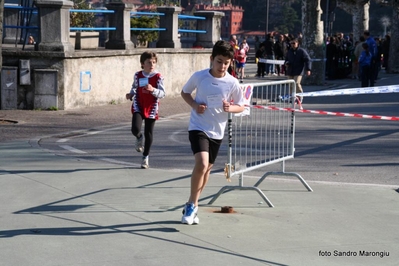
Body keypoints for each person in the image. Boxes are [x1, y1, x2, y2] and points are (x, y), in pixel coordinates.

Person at [180, 40, 245, 225]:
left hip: (217, 131)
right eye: (219, 61)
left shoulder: (232, 82)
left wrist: (229, 107)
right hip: (198, 126)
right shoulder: (200, 77)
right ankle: (192, 204)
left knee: (207, 169)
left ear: (231, 62)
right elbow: (185, 93)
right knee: (201, 163)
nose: (222, 66)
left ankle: (193, 204)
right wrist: (194, 105)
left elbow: (241, 106)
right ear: (211, 59)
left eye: (226, 62)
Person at [125, 51, 165, 169]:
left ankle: (145, 157)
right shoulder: (138, 75)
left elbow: (162, 93)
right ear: (142, 64)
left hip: (151, 106)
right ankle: (138, 137)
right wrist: (130, 94)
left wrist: (153, 90)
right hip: (139, 104)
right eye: (149, 62)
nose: (152, 64)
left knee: (149, 133)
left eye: (154, 62)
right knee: (135, 128)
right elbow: (135, 87)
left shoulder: (158, 77)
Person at [284, 38, 311, 103]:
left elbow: (308, 60)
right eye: (291, 43)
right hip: (290, 70)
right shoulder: (289, 51)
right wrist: (286, 63)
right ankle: (292, 97)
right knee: (290, 84)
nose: (292, 45)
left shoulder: (301, 51)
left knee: (297, 83)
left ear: (297, 43)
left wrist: (308, 69)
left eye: (294, 43)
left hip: (298, 71)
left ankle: (300, 97)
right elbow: (286, 59)